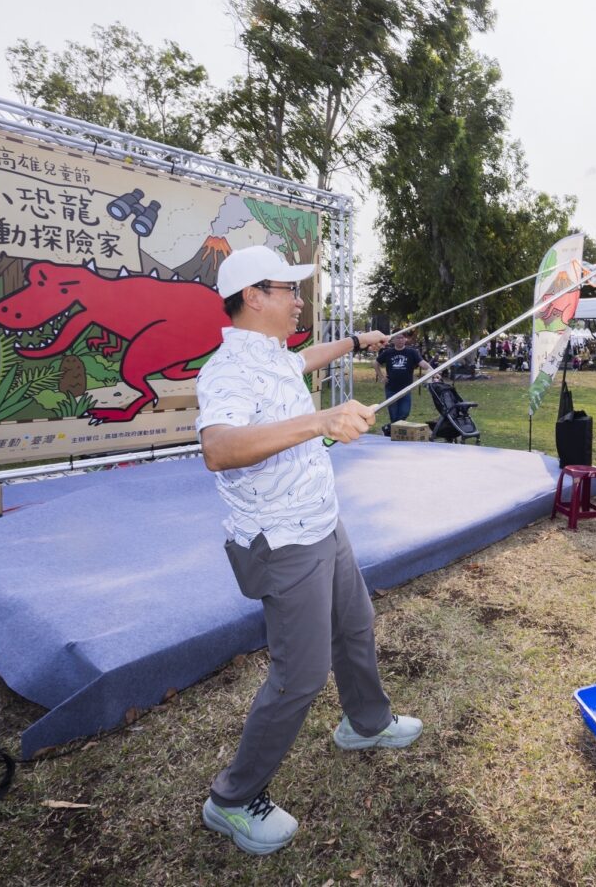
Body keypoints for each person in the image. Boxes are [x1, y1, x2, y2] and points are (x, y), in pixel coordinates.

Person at [195, 246, 423, 856]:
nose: (299, 301)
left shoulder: (272, 353)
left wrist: (358, 342)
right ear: (253, 296)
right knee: (299, 676)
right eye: (288, 290)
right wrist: (320, 422)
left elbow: (305, 360)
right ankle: (232, 800)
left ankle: (366, 723)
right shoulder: (226, 371)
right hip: (281, 540)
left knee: (355, 624)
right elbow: (219, 448)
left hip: (321, 521)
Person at [376, 332, 434, 426]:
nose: (400, 340)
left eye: (402, 338)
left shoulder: (412, 352)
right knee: (393, 415)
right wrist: (381, 377)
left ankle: (394, 428)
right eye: (398, 338)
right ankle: (395, 430)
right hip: (391, 388)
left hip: (406, 389)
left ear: (405, 339)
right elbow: (376, 363)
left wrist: (434, 371)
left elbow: (423, 364)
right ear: (393, 340)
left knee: (404, 412)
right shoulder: (388, 352)